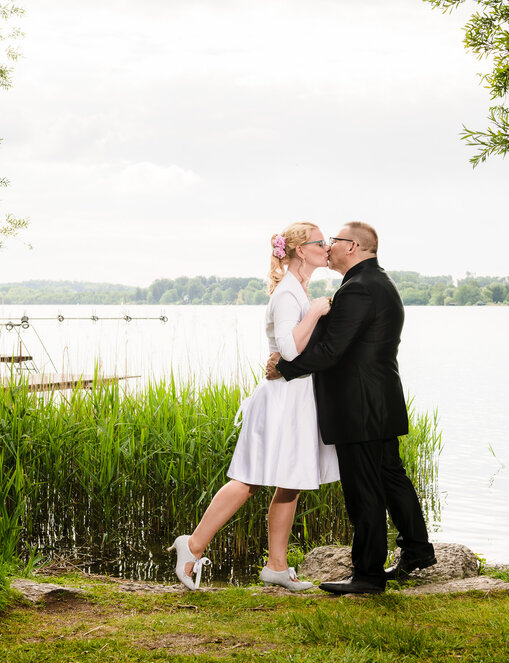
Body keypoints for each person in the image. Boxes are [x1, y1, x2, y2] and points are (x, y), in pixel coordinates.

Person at [168, 222, 340, 591]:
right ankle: (193, 545)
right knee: (249, 479)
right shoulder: (288, 296)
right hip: (279, 401)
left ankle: (276, 566)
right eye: (320, 242)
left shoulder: (301, 290)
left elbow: (295, 351)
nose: (327, 247)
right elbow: (290, 351)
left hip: (297, 397)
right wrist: (314, 313)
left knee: (291, 482)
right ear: (300, 250)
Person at [266, 221, 436, 595]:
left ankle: (368, 575)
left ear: (353, 246)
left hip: (358, 407)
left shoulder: (357, 289)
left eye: (335, 240)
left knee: (365, 490)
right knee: (392, 477)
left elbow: (331, 350)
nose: (329, 246)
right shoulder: (379, 282)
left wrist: (285, 368)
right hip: (380, 401)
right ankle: (418, 550)